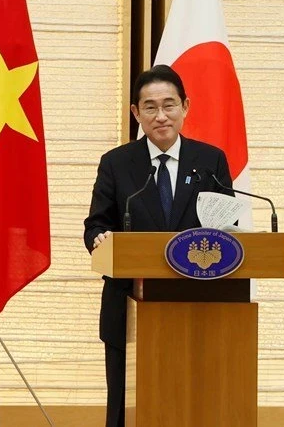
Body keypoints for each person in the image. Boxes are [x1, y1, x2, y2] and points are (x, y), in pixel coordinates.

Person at [83, 65, 232, 427]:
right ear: (136, 112)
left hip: (198, 307)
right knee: (126, 406)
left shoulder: (210, 161)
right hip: (129, 306)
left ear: (185, 106)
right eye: (150, 107)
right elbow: (96, 226)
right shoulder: (117, 164)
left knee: (195, 402)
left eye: (169, 104)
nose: (161, 116)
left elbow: (230, 226)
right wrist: (100, 240)